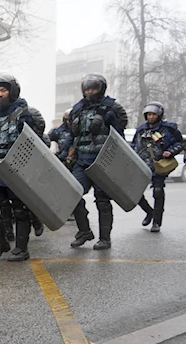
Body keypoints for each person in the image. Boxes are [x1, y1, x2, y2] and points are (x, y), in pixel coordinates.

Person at [0, 72, 40, 262]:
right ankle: (0, 243)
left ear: (12, 92)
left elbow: (33, 142)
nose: (0, 94)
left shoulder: (24, 113)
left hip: (17, 168)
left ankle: (21, 249)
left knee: (20, 210)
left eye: (3, 90)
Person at [67, 73, 127, 250]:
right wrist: (69, 154)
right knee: (73, 194)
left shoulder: (112, 107)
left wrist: (112, 121)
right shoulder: (78, 109)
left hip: (103, 161)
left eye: (93, 88)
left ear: (101, 89)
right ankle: (84, 231)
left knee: (102, 200)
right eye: (87, 89)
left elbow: (120, 134)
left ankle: (105, 238)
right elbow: (73, 136)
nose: (90, 92)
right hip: (82, 160)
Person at [132, 101, 184, 232]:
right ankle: (149, 212)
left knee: (158, 192)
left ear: (159, 115)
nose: (151, 117)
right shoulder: (141, 130)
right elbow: (133, 145)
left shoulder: (169, 129)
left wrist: (170, 152)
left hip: (159, 165)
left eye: (153, 114)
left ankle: (156, 222)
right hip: (142, 165)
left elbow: (180, 143)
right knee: (135, 193)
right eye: (148, 114)